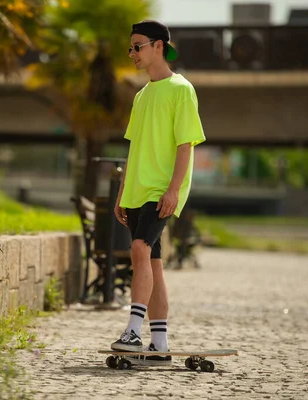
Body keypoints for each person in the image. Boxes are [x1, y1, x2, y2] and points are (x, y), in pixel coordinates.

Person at [111, 20, 206, 365]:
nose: (132, 53)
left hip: (161, 191)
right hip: (137, 190)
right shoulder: (142, 95)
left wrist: (173, 191)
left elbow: (186, 146)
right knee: (152, 262)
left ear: (158, 46)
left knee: (138, 249)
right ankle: (160, 342)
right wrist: (122, 191)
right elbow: (134, 148)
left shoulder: (181, 89)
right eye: (130, 48)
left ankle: (134, 330)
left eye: (138, 46)